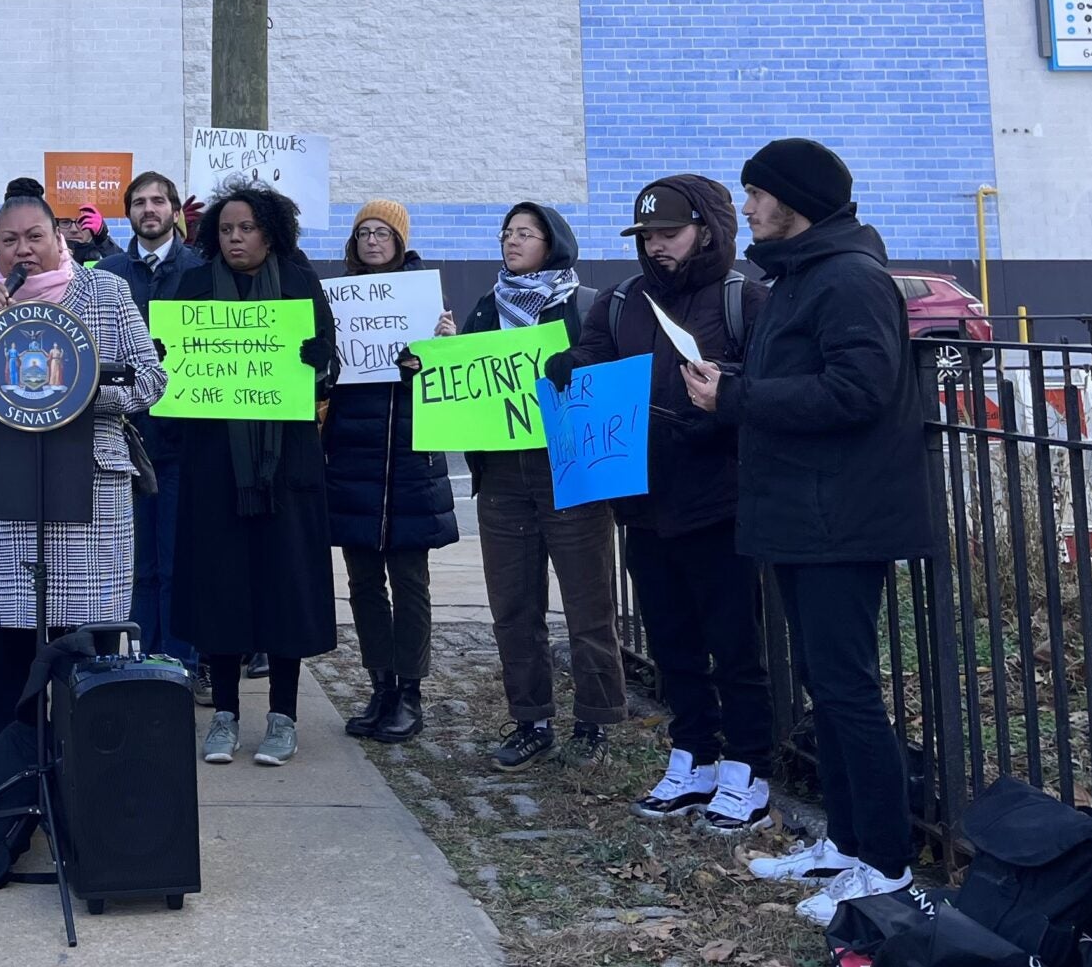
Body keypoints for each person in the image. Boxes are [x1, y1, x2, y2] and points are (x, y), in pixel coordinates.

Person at [683, 139, 928, 922]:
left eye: (756, 194)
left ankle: (885, 866)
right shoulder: (800, 274)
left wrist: (738, 399)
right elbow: (798, 382)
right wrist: (737, 388)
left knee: (849, 691)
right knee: (828, 686)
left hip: (840, 518)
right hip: (803, 512)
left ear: (796, 200)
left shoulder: (850, 278)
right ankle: (846, 845)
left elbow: (856, 390)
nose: (747, 208)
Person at [0, 188, 166, 759]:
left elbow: (150, 383)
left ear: (60, 239)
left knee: (88, 674)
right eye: (9, 241)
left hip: (91, 506)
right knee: (1, 672)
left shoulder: (104, 290)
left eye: (35, 237)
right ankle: (1, 813)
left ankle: (87, 808)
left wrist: (73, 386)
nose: (22, 250)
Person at [560, 177, 773, 830]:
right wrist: (567, 366)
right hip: (645, 504)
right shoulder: (623, 301)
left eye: (669, 234)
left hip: (720, 501)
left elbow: (767, 387)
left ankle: (749, 765)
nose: (656, 247)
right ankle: (693, 754)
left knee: (735, 643)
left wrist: (720, 412)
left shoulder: (743, 299)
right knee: (673, 639)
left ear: (705, 231)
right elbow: (593, 362)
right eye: (647, 236)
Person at [167, 183, 339, 770]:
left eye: (246, 228)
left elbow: (328, 368)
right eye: (225, 230)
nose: (235, 238)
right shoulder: (192, 287)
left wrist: (319, 365)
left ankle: (283, 714)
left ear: (270, 232)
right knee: (220, 586)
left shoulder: (299, 285)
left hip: (284, 466)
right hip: (214, 465)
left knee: (282, 587)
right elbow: (169, 369)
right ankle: (224, 715)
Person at [455, 201, 624, 768]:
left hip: (570, 469)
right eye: (506, 233)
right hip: (502, 475)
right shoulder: (484, 309)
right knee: (512, 604)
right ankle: (531, 719)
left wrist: (575, 363)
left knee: (587, 601)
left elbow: (607, 370)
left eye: (524, 233)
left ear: (552, 242)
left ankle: (594, 723)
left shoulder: (585, 305)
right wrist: (439, 355)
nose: (511, 241)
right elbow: (465, 384)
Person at [325, 198, 456, 745]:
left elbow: (451, 387)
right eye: (363, 234)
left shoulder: (426, 303)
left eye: (382, 233)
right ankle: (380, 683)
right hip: (354, 457)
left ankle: (410, 690)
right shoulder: (334, 301)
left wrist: (439, 349)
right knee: (362, 582)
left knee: (409, 580)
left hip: (410, 457)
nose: (372, 242)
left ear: (400, 241)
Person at [100, 169, 202, 685]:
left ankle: (182, 663)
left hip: (185, 440)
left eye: (158, 200)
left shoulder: (201, 269)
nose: (149, 209)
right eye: (139, 201)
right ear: (128, 212)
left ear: (175, 209)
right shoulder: (107, 273)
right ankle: (140, 663)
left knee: (180, 559)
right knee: (134, 562)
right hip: (125, 436)